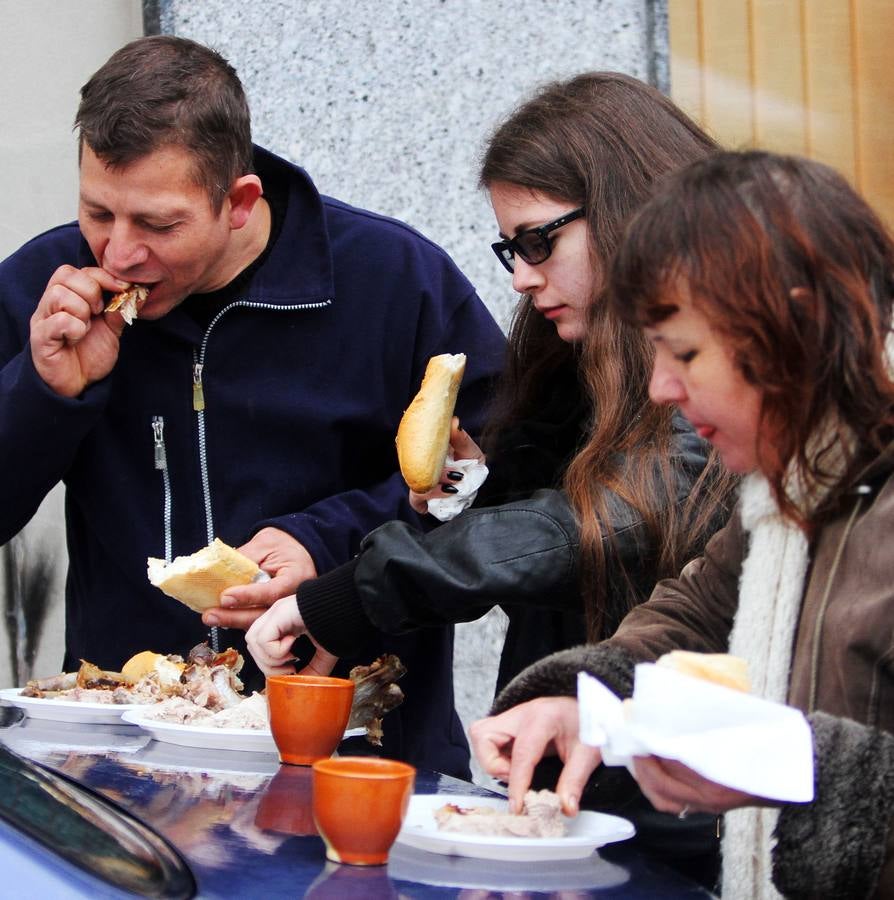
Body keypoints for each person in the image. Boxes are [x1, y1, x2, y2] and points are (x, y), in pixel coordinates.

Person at [244, 73, 734, 884]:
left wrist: (354, 596)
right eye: (510, 248)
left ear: (626, 211)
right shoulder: (575, 350)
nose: (519, 276)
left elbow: (601, 523)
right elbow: (542, 543)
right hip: (569, 783)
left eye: (539, 242)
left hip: (685, 806)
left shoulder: (718, 351)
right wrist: (470, 490)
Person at [0, 35, 505, 778]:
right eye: (97, 212)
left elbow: (499, 485)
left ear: (239, 202)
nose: (117, 254)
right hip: (125, 760)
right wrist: (46, 395)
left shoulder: (396, 281)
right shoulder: (42, 288)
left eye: (158, 225)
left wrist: (326, 543)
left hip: (357, 747)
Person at [470, 150, 894, 898]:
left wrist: (791, 760)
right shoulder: (790, 476)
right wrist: (586, 699)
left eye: (686, 354)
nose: (663, 389)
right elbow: (699, 608)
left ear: (792, 327)